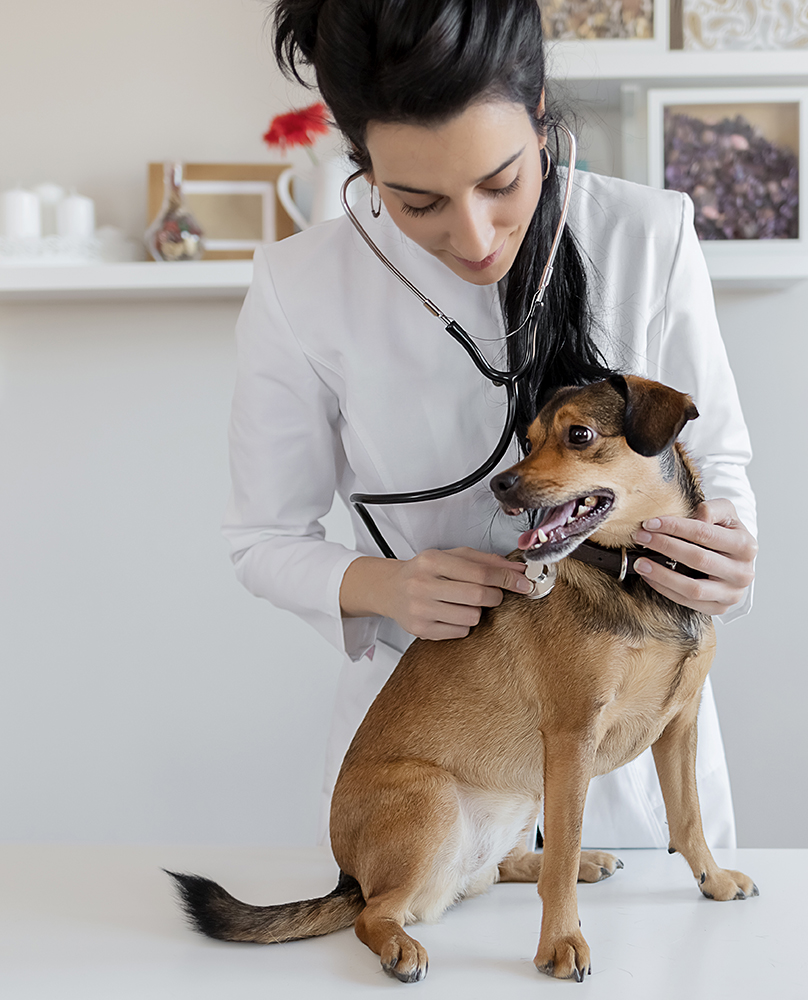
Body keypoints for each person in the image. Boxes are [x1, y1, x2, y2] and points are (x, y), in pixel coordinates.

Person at [224, 0, 757, 851]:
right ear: (362, 163)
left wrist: (726, 553)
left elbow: (717, 467)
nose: (472, 235)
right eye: (416, 200)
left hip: (628, 748)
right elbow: (262, 539)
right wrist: (387, 586)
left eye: (501, 182)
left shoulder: (649, 235)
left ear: (540, 110)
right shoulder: (301, 287)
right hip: (445, 756)